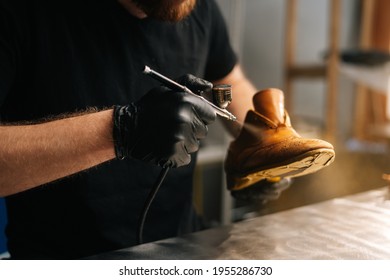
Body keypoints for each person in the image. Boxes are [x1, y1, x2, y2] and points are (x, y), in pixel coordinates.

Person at [0, 0, 264, 259]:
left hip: (183, 247)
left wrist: (264, 147)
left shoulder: (200, 8)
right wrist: (121, 129)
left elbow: (231, 81)